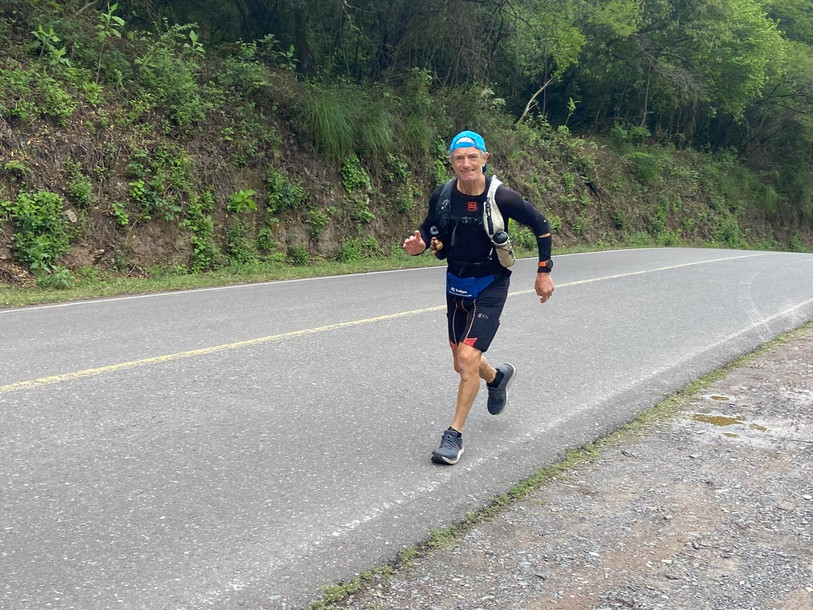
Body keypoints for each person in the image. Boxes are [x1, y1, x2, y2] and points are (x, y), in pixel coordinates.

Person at [403, 130, 555, 465]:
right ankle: (497, 378)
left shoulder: (503, 197)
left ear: (485, 159)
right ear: (452, 162)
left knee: (468, 358)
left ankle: (453, 436)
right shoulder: (442, 195)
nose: (466, 163)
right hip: (455, 281)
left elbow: (541, 225)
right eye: (459, 158)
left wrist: (544, 270)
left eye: (473, 157)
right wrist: (419, 246)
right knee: (460, 358)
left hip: (490, 283)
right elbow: (430, 230)